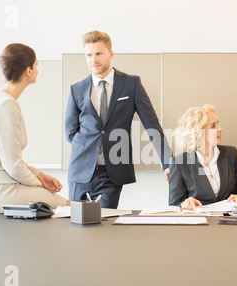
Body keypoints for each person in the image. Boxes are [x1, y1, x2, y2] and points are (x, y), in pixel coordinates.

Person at [65, 30, 172, 208]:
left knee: (105, 224)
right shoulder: (76, 89)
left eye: (99, 53)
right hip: (80, 172)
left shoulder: (131, 84)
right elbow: (70, 132)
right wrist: (87, 147)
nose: (94, 59)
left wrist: (168, 162)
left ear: (110, 54)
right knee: (78, 227)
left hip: (112, 172)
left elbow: (152, 125)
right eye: (89, 55)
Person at [0, 43, 69, 213]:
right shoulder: (7, 104)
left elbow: (7, 159)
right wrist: (41, 185)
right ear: (29, 70)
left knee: (55, 200)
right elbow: (13, 166)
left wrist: (40, 175)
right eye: (36, 65)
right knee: (64, 204)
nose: (38, 70)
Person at [168, 104, 237, 210]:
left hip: (229, 223)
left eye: (217, 123)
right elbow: (174, 206)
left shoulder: (231, 154)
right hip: (200, 224)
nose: (220, 128)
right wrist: (184, 205)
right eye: (213, 126)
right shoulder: (179, 163)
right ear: (198, 132)